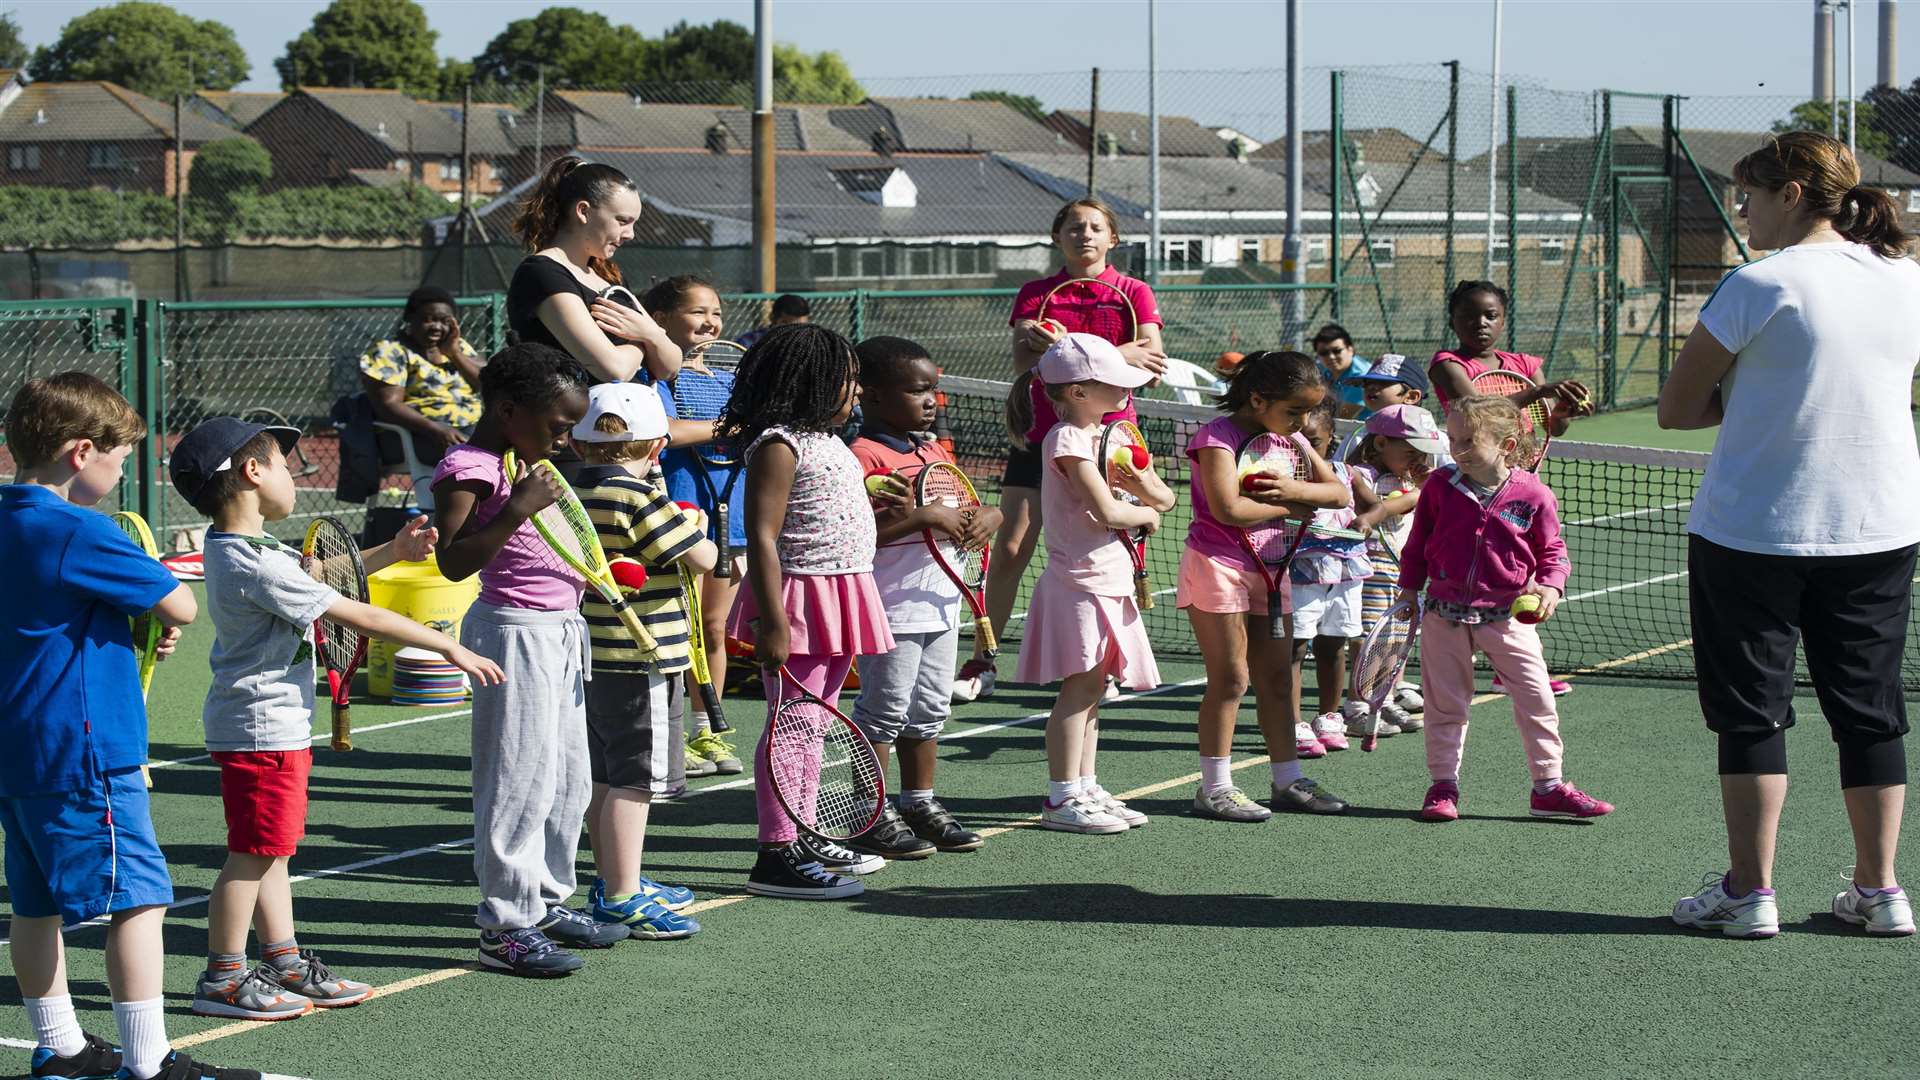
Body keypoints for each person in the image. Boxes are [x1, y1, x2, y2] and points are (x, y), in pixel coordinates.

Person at [1663, 131, 1919, 940]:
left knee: (1751, 717)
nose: (1741, 211)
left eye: (1748, 195)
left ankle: (1750, 893)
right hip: (1879, 527)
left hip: (1752, 531)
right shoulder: (1906, 279)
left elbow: (1678, 409)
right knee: (1872, 714)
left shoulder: (1756, 284)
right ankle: (1881, 894)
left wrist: (1756, 398)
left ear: (1794, 194)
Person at [170, 417, 503, 1020]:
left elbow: (321, 580)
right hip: (262, 728)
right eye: (282, 463)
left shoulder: (246, 550)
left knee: (272, 851)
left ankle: (284, 960)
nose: (293, 474)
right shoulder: (258, 563)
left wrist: (392, 552)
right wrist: (447, 645)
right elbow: (353, 612)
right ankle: (222, 978)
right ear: (251, 473)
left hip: (266, 724)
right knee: (251, 855)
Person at [1, 373, 256, 1080]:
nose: (120, 473)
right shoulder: (74, 527)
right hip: (85, 749)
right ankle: (149, 1064)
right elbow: (179, 606)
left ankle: (63, 1049)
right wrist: (145, 616)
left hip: (18, 750)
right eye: (119, 460)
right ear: (82, 451)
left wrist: (119, 624)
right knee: (140, 899)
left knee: (35, 904)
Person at [430, 342, 631, 977]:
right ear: (510, 409)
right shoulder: (471, 467)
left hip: (560, 631)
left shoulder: (521, 459)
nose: (567, 438)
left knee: (565, 776)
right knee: (517, 778)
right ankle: (504, 925)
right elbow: (455, 560)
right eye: (558, 425)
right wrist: (517, 508)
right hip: (513, 633)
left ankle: (543, 900)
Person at [959, 198, 1167, 705]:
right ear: (1058, 237)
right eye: (1074, 227)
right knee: (1010, 547)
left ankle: (1110, 663)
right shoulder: (1034, 294)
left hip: (1112, 441)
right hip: (1040, 433)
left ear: (1112, 239)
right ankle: (983, 659)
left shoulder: (1134, 291)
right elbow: (1022, 363)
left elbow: (1152, 359)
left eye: (1096, 227)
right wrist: (1103, 352)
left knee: (1111, 548)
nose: (1085, 235)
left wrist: (1068, 348)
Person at [719, 324, 897, 898]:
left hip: (842, 590)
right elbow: (763, 537)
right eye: (849, 381)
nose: (859, 392)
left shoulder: (827, 442)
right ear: (813, 384)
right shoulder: (778, 443)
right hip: (799, 598)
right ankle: (776, 853)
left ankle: (803, 831)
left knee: (813, 724)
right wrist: (773, 620)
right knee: (792, 725)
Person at [1398, 395, 1614, 825]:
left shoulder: (1533, 494)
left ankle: (1549, 787)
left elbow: (1553, 553)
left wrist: (1551, 588)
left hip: (1508, 618)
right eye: (1452, 438)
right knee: (1445, 706)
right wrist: (1408, 592)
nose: (1455, 449)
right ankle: (1443, 786)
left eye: (1467, 441)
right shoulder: (1440, 487)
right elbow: (1417, 545)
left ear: (1508, 446)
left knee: (1537, 699)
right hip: (1444, 616)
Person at [567, 383, 714, 941]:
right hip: (643, 651)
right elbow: (703, 558)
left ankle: (614, 881)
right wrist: (694, 525)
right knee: (636, 782)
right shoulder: (638, 497)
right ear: (658, 446)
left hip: (593, 652)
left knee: (605, 774)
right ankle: (622, 896)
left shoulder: (571, 492)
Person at [1179, 351, 1353, 822]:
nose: (1301, 422)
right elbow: (1227, 509)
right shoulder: (1216, 437)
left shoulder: (1290, 437)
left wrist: (1292, 492)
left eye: (1306, 412)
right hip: (1218, 566)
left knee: (1277, 680)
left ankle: (1288, 780)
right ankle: (1214, 789)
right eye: (1294, 410)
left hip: (1273, 569)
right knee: (1232, 679)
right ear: (1258, 399)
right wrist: (1286, 508)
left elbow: (1337, 493)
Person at [845, 336, 1000, 860]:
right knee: (883, 711)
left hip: (941, 602)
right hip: (891, 605)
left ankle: (918, 803)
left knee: (929, 710)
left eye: (934, 389)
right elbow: (856, 535)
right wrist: (923, 516)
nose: (931, 399)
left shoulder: (932, 449)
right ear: (872, 395)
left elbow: (968, 506)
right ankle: (867, 812)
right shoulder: (861, 456)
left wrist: (991, 517)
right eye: (917, 390)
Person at [1016, 334, 1175, 834]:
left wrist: (1142, 488)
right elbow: (1106, 512)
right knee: (1078, 690)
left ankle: (1085, 786)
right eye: (1113, 383)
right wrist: (1140, 512)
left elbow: (1164, 500)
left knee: (1095, 689)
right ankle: (1062, 797)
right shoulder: (1065, 438)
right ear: (1080, 392)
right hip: (1080, 582)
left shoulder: (1105, 438)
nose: (1125, 390)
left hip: (1109, 579)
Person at [1429, 280, 1588, 697]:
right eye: (1469, 316)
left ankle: (1514, 668)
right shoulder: (1447, 363)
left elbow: (1551, 422)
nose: (1480, 323)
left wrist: (1565, 407)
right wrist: (1540, 391)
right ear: (1453, 321)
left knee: (1524, 568)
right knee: (1475, 570)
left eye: (1490, 315)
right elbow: (1480, 413)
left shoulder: (1523, 362)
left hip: (1518, 482)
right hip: (1467, 485)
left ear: (1502, 319)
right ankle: (1456, 661)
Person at [642, 275, 744, 778]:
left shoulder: (730, 380)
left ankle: (709, 733)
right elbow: (666, 432)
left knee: (714, 628)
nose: (710, 322)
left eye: (716, 313)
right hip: (679, 519)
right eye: (697, 311)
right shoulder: (654, 377)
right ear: (660, 320)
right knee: (680, 632)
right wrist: (732, 428)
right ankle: (669, 733)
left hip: (733, 520)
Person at [506, 155, 681, 385]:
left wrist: (651, 335)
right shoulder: (542, 273)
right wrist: (644, 339)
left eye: (634, 223)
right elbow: (613, 369)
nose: (631, 234)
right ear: (583, 211)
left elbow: (670, 366)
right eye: (622, 221)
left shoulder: (610, 277)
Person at [1342, 404, 1442, 738]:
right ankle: (1357, 708)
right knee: (1370, 639)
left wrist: (1422, 487)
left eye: (1424, 453)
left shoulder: (1409, 480)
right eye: (1411, 451)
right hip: (1371, 569)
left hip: (1403, 572)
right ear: (1382, 443)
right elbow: (1373, 507)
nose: (1420, 460)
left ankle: (1379, 699)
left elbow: (1420, 506)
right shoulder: (1362, 476)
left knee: (1395, 640)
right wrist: (1414, 492)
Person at [1288, 400, 1374, 756]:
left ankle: (1329, 717)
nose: (1306, 452)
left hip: (1346, 571)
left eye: (1314, 442)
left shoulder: (1348, 473)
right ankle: (1291, 724)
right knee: (1295, 647)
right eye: (1297, 444)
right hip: (1300, 571)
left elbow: (1372, 507)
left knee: (1334, 645)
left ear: (1330, 438)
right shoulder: (1284, 476)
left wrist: (1367, 521)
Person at [358, 285, 485, 507]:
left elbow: (488, 382)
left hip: (469, 429)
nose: (437, 327)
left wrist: (453, 353)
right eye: (428, 319)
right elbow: (389, 405)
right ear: (410, 318)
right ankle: (458, 523)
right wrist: (436, 428)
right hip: (421, 435)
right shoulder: (391, 351)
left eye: (445, 321)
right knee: (481, 452)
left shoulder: (457, 347)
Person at [1330, 353, 1441, 466]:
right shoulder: (1359, 435)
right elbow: (1338, 469)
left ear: (1411, 397)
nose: (1370, 387)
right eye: (1366, 384)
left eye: (1383, 383)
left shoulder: (1433, 439)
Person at [1311, 323, 1370, 419]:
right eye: (1324, 353)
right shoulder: (1326, 369)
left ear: (1351, 350)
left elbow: (1343, 417)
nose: (1331, 357)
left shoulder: (1361, 376)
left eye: (1336, 351)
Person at [735, 293, 811, 350]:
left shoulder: (811, 345)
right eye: (786, 324)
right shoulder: (749, 342)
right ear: (772, 318)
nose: (796, 332)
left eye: (803, 327)